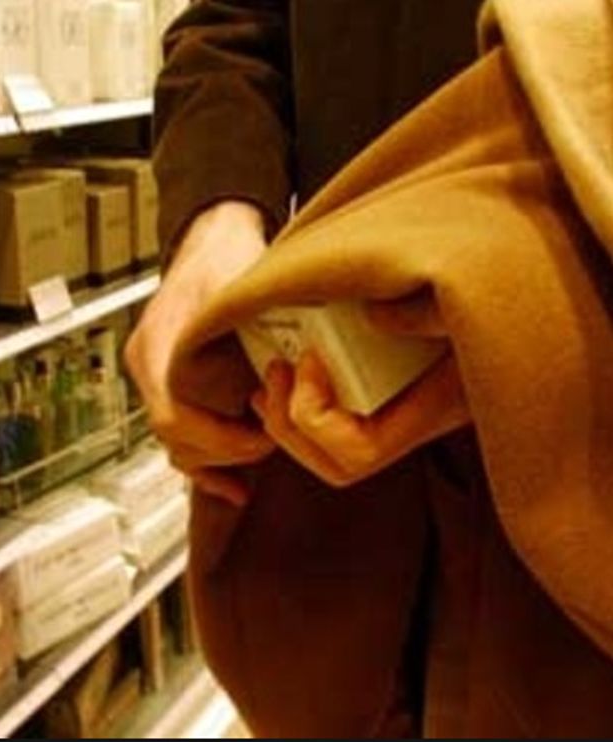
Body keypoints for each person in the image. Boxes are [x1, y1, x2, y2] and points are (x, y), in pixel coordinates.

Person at [126, 0, 613, 737]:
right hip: (332, 507)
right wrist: (216, 215)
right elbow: (232, 28)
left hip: (579, 511)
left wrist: (528, 317)